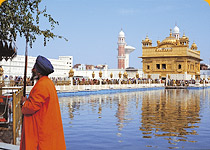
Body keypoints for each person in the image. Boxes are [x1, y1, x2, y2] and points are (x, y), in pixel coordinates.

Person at [20, 55, 66, 150]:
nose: (33, 70)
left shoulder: (42, 85)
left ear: (38, 71)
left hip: (41, 133)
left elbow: (31, 108)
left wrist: (24, 103)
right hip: (47, 128)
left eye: (35, 68)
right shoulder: (48, 83)